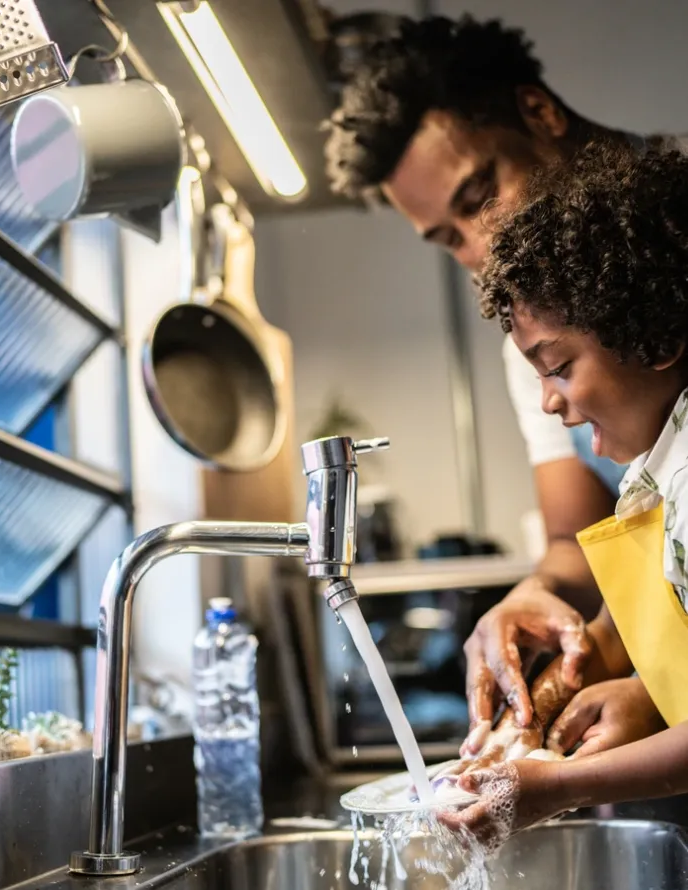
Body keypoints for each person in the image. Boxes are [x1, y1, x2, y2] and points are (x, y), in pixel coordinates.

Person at [324, 13, 684, 754]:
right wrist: (531, 601)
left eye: (480, 196)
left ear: (539, 112)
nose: (481, 249)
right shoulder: (532, 337)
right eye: (448, 240)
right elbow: (576, 541)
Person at [440, 140, 688, 842]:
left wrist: (562, 783)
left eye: (558, 368)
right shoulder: (659, 472)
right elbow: (640, 628)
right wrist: (537, 711)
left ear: (656, 337)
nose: (549, 403)